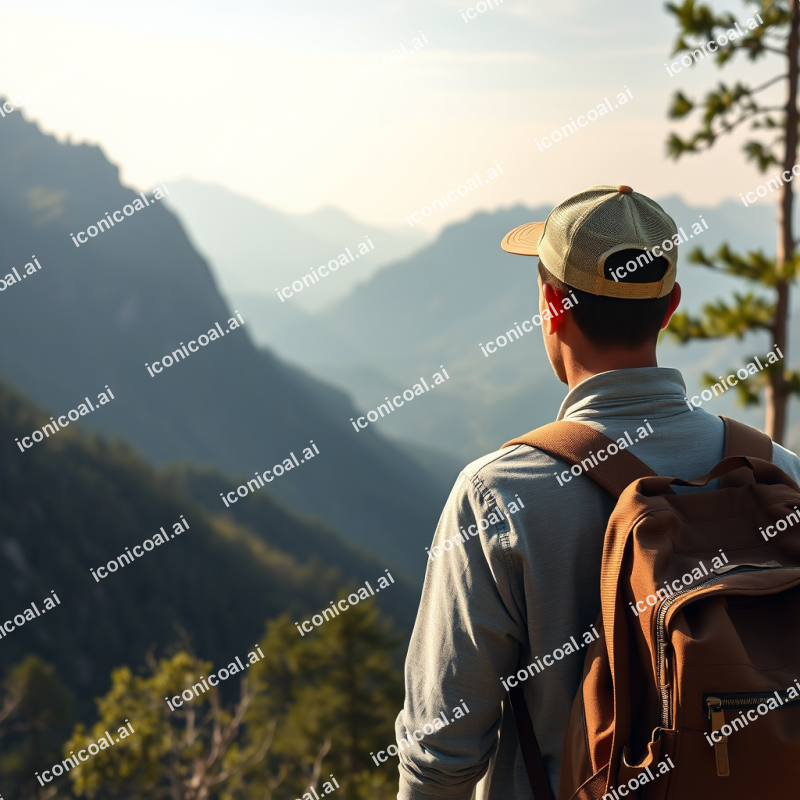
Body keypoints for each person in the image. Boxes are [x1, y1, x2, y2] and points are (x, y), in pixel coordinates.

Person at [394, 184, 800, 799]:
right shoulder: (784, 475)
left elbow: (443, 754)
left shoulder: (498, 496)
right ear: (671, 307)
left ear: (551, 305)